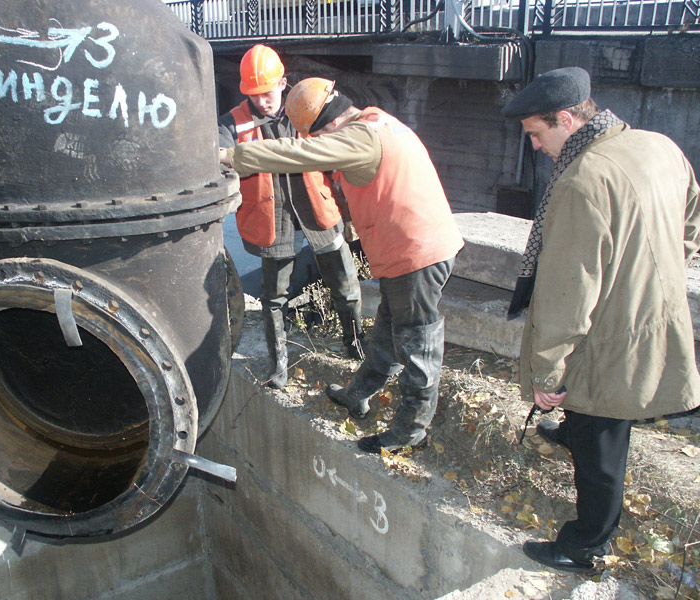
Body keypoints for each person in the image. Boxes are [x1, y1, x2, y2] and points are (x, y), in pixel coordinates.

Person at [501, 67, 700, 573]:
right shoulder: (657, 144)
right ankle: (573, 429)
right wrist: (667, 262)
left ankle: (586, 543)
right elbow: (692, 215)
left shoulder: (582, 180)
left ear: (566, 119)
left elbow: (567, 295)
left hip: (613, 330)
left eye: (537, 135)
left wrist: (545, 375)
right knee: (593, 420)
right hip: (657, 307)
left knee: (602, 441)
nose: (536, 147)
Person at [220, 77, 464, 454]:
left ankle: (410, 432)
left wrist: (233, 156)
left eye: (315, 136)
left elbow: (295, 155)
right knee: (388, 325)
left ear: (327, 126)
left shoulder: (357, 139)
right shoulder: (376, 120)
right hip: (414, 246)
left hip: (416, 253)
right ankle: (358, 393)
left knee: (418, 343)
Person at [218, 46, 364, 390]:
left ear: (284, 83)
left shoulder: (309, 109)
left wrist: (351, 210)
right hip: (271, 218)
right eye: (254, 95)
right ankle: (278, 362)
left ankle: (355, 346)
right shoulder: (231, 123)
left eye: (268, 93)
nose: (263, 102)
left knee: (345, 283)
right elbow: (218, 156)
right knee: (275, 294)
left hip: (318, 209)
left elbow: (342, 151)